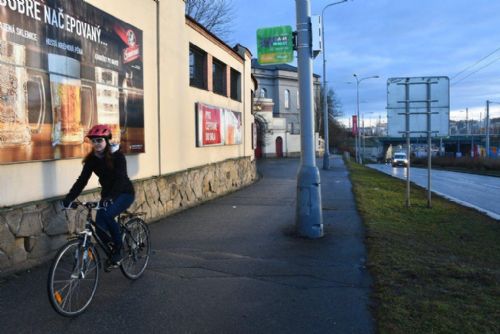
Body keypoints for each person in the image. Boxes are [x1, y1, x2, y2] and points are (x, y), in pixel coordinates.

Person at [62, 124, 135, 267]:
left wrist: (110, 198)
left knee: (107, 215)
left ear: (106, 140)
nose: (96, 144)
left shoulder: (118, 156)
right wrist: (70, 197)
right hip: (108, 196)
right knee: (99, 226)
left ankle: (119, 250)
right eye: (93, 141)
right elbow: (82, 180)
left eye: (99, 140)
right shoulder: (92, 160)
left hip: (124, 193)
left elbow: (120, 179)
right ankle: (113, 249)